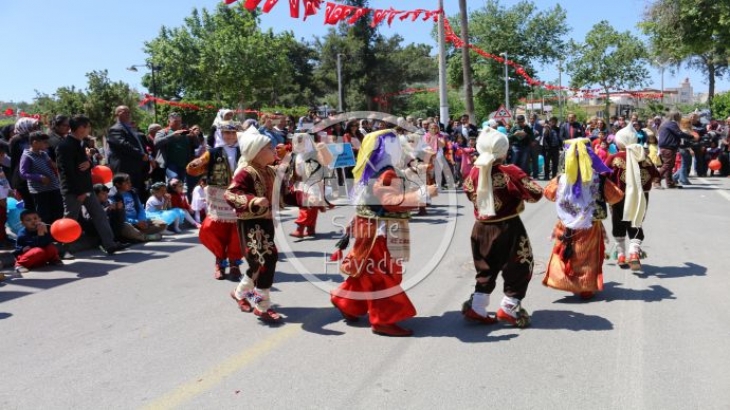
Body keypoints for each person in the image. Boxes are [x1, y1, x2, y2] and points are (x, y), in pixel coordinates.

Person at [329, 129, 437, 337]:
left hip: (369, 228)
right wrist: (424, 194)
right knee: (383, 276)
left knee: (368, 272)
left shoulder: (371, 169)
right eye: (395, 144)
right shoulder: (386, 172)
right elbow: (390, 202)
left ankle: (346, 301)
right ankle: (383, 320)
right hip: (380, 232)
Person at [461, 127, 543, 327]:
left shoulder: (473, 171)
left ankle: (478, 305)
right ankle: (509, 306)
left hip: (481, 228)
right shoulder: (510, 172)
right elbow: (536, 193)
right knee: (520, 265)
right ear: (503, 150)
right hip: (508, 227)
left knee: (485, 267)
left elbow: (467, 191)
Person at [225, 126, 299, 322]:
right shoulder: (245, 172)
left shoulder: (271, 171)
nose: (273, 150)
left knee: (260, 262)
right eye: (268, 147)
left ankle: (241, 293)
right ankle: (262, 306)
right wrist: (253, 200)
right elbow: (230, 194)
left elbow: (285, 195)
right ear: (256, 153)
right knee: (266, 260)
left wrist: (312, 200)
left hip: (266, 223)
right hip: (250, 224)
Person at [542, 138, 623, 299]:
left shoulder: (561, 179)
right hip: (590, 224)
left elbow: (548, 194)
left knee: (565, 252)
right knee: (587, 255)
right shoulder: (598, 179)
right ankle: (585, 288)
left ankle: (562, 280)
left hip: (565, 223)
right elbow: (616, 197)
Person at [57, 115, 125, 255]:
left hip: (87, 187)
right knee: (70, 220)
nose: (89, 129)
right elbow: (66, 172)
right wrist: (78, 192)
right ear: (81, 128)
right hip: (73, 191)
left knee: (99, 215)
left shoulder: (81, 143)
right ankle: (65, 250)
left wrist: (89, 163)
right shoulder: (65, 145)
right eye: (87, 126)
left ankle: (110, 244)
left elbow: (87, 165)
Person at [186, 122, 243, 280]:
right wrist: (194, 164)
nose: (230, 136)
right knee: (212, 229)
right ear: (221, 134)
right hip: (218, 197)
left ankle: (234, 263)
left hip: (240, 195)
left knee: (237, 232)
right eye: (226, 133)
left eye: (233, 133)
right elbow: (193, 169)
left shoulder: (246, 151)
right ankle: (219, 261)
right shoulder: (212, 153)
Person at [605, 125, 660, 270]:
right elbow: (655, 175)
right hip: (641, 197)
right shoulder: (643, 156)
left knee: (618, 223)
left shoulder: (614, 158)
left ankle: (621, 254)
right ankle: (634, 253)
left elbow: (603, 175)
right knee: (636, 222)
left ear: (620, 142)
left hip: (618, 197)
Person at [289, 133, 333, 238]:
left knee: (308, 205)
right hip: (300, 184)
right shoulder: (295, 155)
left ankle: (300, 229)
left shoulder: (315, 153)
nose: (298, 144)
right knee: (309, 207)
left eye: (301, 141)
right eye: (297, 142)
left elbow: (327, 162)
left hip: (313, 184)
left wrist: (323, 150)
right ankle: (310, 228)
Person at [107, 106, 154, 202]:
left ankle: (140, 213)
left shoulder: (131, 130)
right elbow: (124, 145)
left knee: (139, 192)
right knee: (127, 195)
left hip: (137, 168)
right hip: (125, 168)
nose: (128, 114)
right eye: (124, 112)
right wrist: (141, 155)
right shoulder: (115, 129)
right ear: (117, 114)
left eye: (129, 112)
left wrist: (148, 157)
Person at [19, 131, 64, 225]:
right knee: (44, 214)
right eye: (44, 142)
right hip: (40, 191)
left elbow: (52, 165)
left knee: (58, 210)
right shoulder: (27, 156)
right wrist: (39, 177)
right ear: (35, 142)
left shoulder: (44, 154)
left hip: (53, 187)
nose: (47, 145)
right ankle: (46, 235)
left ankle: (58, 232)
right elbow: (23, 173)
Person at [110, 174, 166, 242]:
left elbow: (140, 208)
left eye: (130, 182)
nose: (130, 184)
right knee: (126, 227)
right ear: (118, 184)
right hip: (129, 223)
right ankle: (144, 237)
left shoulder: (132, 193)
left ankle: (136, 235)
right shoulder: (113, 197)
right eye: (127, 183)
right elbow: (120, 218)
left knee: (162, 224)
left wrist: (142, 220)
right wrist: (136, 222)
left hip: (139, 221)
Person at [155, 112, 200, 197]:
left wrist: (194, 136)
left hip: (183, 164)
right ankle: (169, 200)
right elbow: (157, 143)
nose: (178, 123)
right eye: (175, 121)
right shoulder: (163, 132)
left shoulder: (184, 132)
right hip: (170, 164)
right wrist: (172, 136)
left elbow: (197, 145)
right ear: (169, 121)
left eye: (179, 121)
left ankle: (177, 201)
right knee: (174, 180)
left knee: (180, 185)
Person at [14, 209, 62, 274]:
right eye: (28, 220)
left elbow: (48, 242)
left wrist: (46, 233)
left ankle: (54, 260)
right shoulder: (23, 233)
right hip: (28, 255)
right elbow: (37, 246)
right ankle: (19, 265)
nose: (33, 221)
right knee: (38, 251)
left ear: (40, 219)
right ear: (23, 223)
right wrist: (41, 234)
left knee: (51, 247)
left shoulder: (42, 228)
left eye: (35, 218)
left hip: (41, 257)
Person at [658, 111, 694, 189]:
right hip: (668, 147)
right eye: (680, 117)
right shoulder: (672, 124)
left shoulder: (665, 123)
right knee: (667, 165)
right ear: (676, 117)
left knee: (669, 166)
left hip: (667, 147)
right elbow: (679, 133)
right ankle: (656, 181)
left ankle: (670, 183)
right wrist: (691, 136)